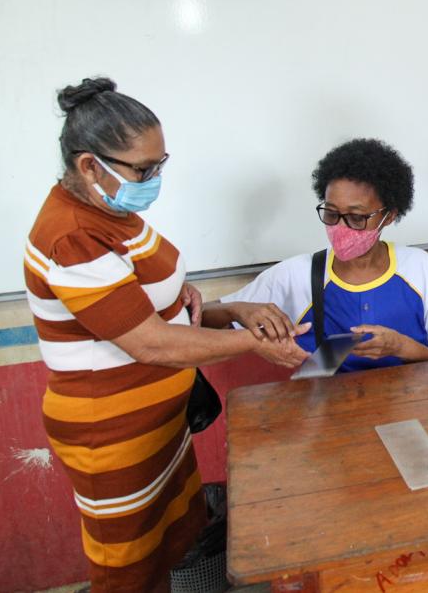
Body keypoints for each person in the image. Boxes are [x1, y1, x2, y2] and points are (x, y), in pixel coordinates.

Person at [24, 77, 309, 593]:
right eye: (143, 169)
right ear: (90, 165)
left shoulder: (113, 211)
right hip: (111, 434)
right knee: (129, 571)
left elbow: (148, 299)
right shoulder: (73, 235)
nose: (154, 178)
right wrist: (253, 341)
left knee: (171, 546)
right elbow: (150, 341)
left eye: (161, 164)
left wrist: (227, 308)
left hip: (159, 424)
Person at [224, 138, 428, 369]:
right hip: (327, 396)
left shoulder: (419, 266)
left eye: (356, 217)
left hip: (414, 395)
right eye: (331, 213)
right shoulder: (296, 275)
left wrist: (401, 347)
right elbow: (207, 317)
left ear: (389, 216)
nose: (340, 227)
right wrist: (234, 309)